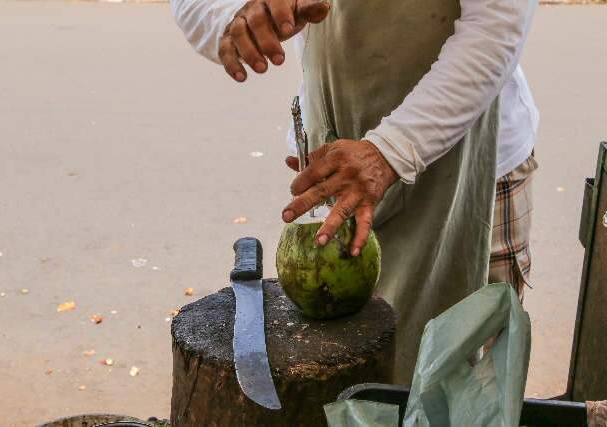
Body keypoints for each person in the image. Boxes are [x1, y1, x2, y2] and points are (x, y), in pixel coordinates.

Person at [172, 0, 539, 384]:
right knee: (351, 381)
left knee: (467, 386)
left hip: (471, 172)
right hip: (338, 171)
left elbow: (498, 22)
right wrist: (229, 16)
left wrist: (391, 151)